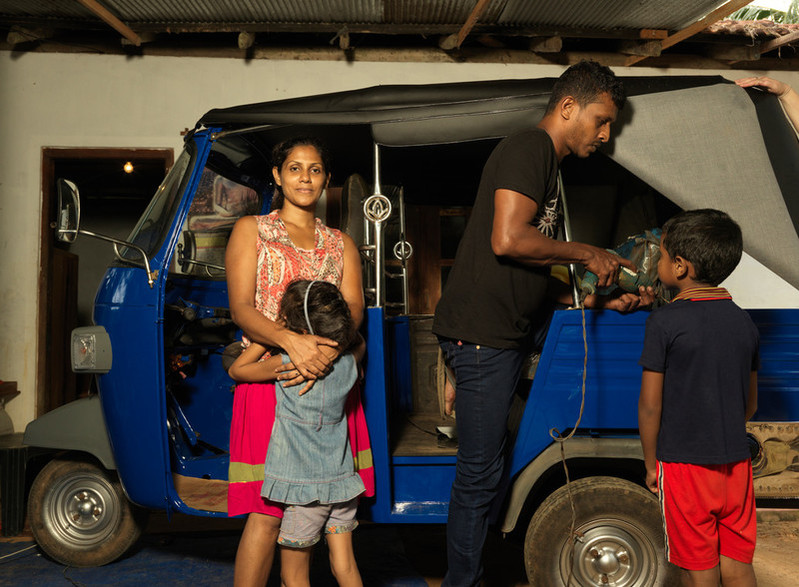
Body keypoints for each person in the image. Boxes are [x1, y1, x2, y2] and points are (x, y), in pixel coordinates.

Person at [431, 60, 654, 586]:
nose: (605, 135)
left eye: (610, 127)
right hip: (484, 336)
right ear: (568, 107)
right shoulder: (529, 148)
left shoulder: (549, 167)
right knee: (479, 474)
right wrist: (587, 254)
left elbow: (522, 269)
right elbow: (508, 241)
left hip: (503, 330)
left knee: (500, 458)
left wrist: (592, 303)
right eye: (601, 121)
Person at [225, 136, 368, 587]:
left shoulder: (340, 243)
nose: (305, 178)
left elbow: (354, 313)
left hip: (327, 388)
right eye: (294, 168)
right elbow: (242, 309)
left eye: (315, 169)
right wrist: (291, 344)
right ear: (277, 175)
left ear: (326, 178)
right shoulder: (252, 230)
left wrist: (323, 358)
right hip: (270, 380)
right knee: (267, 515)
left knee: (329, 519)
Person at [638, 209, 759, 587]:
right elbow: (749, 404)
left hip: (684, 468)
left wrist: (650, 464)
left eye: (659, 255)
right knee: (737, 566)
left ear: (680, 266)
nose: (657, 263)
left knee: (698, 570)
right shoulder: (744, 321)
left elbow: (650, 405)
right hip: (736, 465)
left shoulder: (664, 322)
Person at [229, 279, 366, 587]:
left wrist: (273, 335)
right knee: (344, 567)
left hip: (305, 493)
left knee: (293, 575)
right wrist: (339, 343)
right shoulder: (348, 364)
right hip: (343, 486)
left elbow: (237, 370)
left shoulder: (289, 364)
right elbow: (359, 343)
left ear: (299, 331)